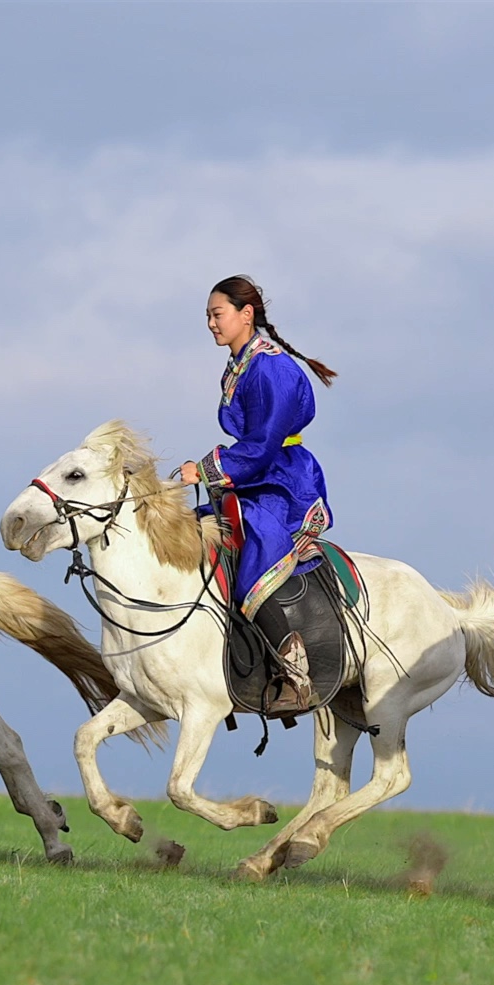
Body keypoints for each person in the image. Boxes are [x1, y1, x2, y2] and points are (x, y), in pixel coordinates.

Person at [177, 275, 339, 713]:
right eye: (208, 316)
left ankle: (295, 671)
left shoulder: (269, 367)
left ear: (245, 314)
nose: (210, 323)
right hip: (253, 475)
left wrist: (208, 468)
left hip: (281, 481)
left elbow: (264, 443)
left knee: (254, 550)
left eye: (217, 314)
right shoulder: (241, 363)